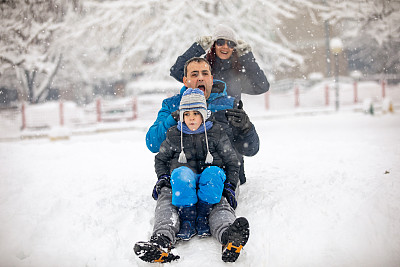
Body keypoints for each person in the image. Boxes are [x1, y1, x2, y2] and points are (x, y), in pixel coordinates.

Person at [134, 57, 259, 263]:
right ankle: (161, 240)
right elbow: (153, 144)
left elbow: (251, 149)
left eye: (205, 73)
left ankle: (229, 236)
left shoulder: (228, 103)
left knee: (219, 202)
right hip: (182, 173)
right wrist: (173, 118)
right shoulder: (172, 105)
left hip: (219, 176)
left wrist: (246, 129)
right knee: (168, 197)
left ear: (211, 78)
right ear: (185, 80)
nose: (200, 78)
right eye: (194, 74)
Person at [154, 88, 240, 241]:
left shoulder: (216, 132)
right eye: (186, 114)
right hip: (186, 183)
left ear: (203, 114)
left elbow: (232, 160)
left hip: (209, 182)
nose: (191, 118)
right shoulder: (174, 134)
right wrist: (163, 177)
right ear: (181, 116)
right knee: (181, 174)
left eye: (195, 113)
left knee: (213, 173)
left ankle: (205, 217)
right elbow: (161, 158)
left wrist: (230, 186)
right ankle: (187, 218)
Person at [170, 24, 270, 101]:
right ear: (213, 45)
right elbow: (177, 71)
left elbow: (262, 86)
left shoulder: (237, 71)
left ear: (234, 48)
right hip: (206, 124)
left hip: (232, 125)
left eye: (230, 44)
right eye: (220, 42)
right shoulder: (203, 68)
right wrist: (198, 47)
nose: (225, 47)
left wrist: (247, 57)